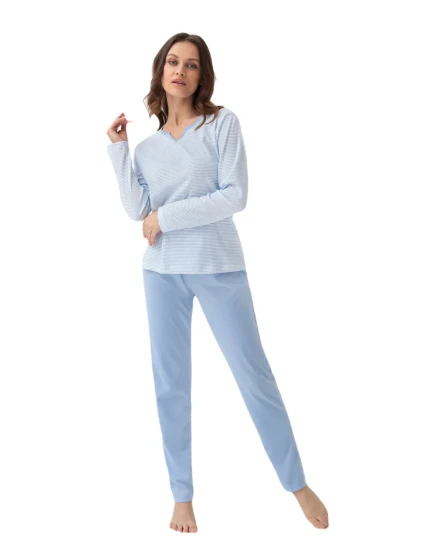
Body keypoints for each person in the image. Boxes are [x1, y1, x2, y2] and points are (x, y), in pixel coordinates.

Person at [106, 32, 329, 533]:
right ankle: (181, 497)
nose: (180, 71)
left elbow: (234, 196)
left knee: (254, 376)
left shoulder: (222, 124)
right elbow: (137, 211)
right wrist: (119, 151)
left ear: (202, 74)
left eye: (191, 64)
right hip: (160, 272)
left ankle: (297, 484)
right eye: (173, 61)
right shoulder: (148, 148)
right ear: (161, 70)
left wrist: (166, 216)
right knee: (170, 386)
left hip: (218, 265)